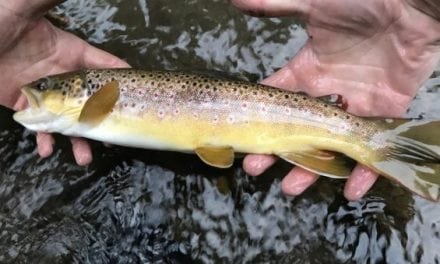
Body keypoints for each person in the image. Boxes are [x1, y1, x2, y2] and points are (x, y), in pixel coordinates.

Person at [1, 0, 439, 201]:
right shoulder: (88, 106)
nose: (33, 94)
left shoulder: (95, 102)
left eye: (45, 90)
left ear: (78, 96)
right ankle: (371, 141)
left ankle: (370, 141)